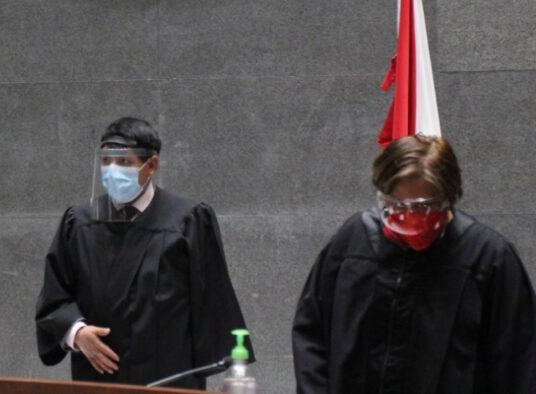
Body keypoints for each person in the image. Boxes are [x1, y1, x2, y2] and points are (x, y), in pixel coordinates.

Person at [292, 133, 536, 393]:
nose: (411, 219)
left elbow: (520, 365)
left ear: (448, 198)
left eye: (425, 208)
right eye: (398, 206)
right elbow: (312, 336)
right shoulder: (354, 242)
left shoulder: (486, 259)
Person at [35, 117, 252, 389]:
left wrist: (226, 370)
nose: (112, 170)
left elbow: (213, 302)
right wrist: (76, 333)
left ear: (151, 165)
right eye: (106, 161)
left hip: (169, 376)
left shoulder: (187, 220)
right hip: (98, 377)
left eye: (124, 162)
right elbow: (55, 297)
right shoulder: (80, 222)